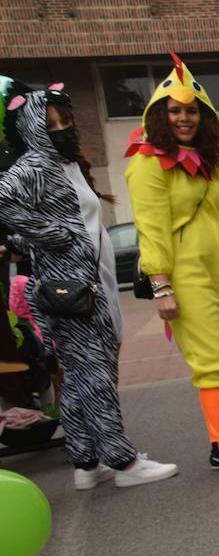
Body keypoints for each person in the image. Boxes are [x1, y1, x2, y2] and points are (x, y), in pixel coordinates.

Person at [0, 84, 178, 489]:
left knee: (81, 376)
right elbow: (3, 201)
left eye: (65, 121)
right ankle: (123, 461)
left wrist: (40, 236)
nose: (62, 129)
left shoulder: (66, 166)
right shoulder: (34, 167)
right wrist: (51, 235)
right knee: (95, 373)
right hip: (72, 289)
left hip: (93, 284)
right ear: (30, 130)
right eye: (50, 125)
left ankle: (85, 461)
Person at [124, 53, 219, 486]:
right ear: (160, 115)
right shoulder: (147, 162)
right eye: (175, 110)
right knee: (212, 359)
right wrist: (161, 285)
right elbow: (150, 229)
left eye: (191, 110)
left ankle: (218, 442)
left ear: (203, 116)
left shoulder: (215, 162)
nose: (184, 118)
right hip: (183, 273)